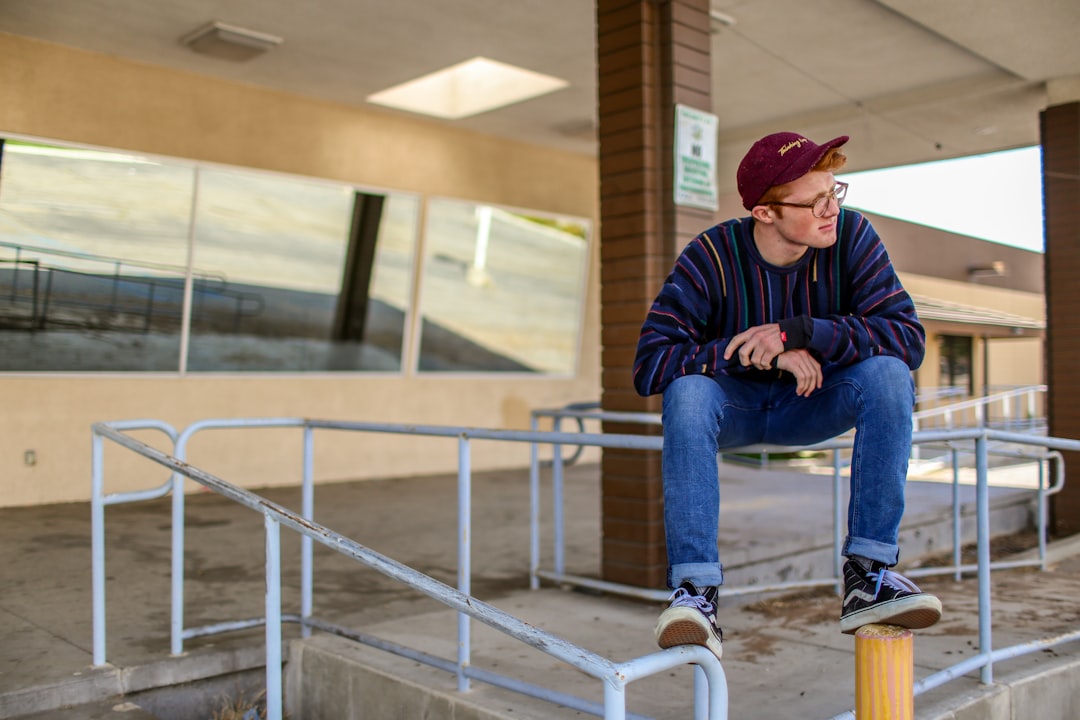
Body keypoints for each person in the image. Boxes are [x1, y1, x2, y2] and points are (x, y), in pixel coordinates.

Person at [632, 131, 942, 660]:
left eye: (834, 192)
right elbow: (649, 364)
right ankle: (696, 592)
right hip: (735, 410)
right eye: (816, 200)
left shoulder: (852, 237)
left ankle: (868, 576)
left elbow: (907, 338)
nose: (831, 210)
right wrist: (750, 351)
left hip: (815, 401)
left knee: (890, 375)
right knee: (685, 392)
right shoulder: (711, 254)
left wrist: (798, 332)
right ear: (765, 212)